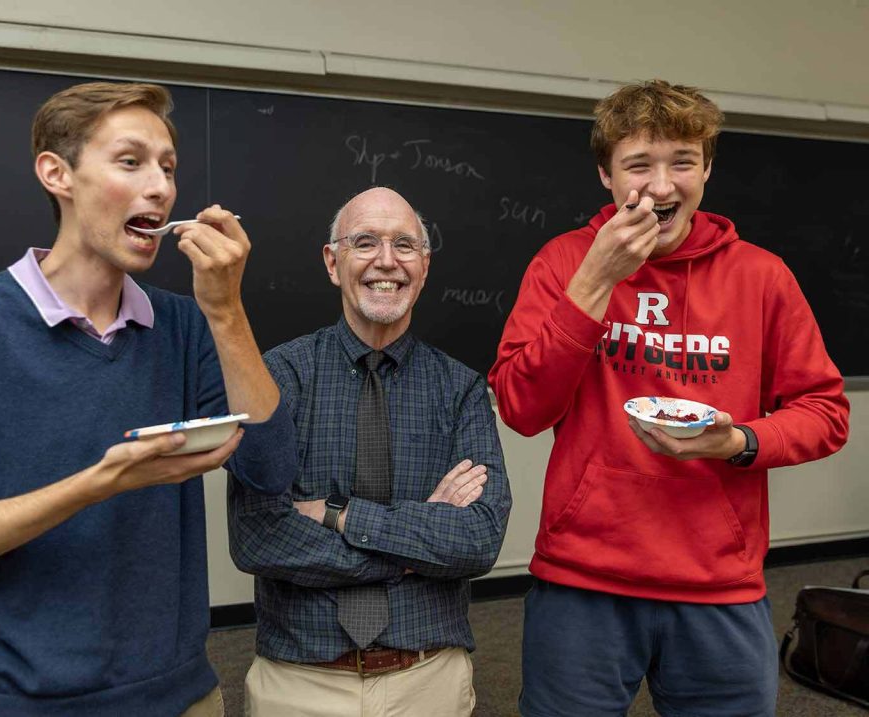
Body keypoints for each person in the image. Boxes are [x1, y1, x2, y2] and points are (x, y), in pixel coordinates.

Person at [0, 81, 296, 717]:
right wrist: (95, 484)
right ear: (56, 173)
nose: (161, 188)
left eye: (168, 169)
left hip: (184, 699)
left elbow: (271, 467)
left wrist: (225, 310)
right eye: (130, 161)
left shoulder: (183, 325)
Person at [489, 78, 850, 717]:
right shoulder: (561, 263)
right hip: (583, 580)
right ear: (605, 174)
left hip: (719, 585)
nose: (661, 186)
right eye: (638, 165)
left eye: (682, 162)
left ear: (706, 170)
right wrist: (595, 282)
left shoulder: (762, 277)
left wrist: (738, 442)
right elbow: (521, 409)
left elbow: (824, 413)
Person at [227, 187, 512, 716]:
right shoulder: (277, 378)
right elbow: (258, 538)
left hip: (430, 677)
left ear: (424, 267)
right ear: (333, 263)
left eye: (404, 244)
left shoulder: (462, 388)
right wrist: (417, 542)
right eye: (365, 242)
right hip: (300, 681)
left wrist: (339, 515)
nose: (387, 261)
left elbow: (478, 539)